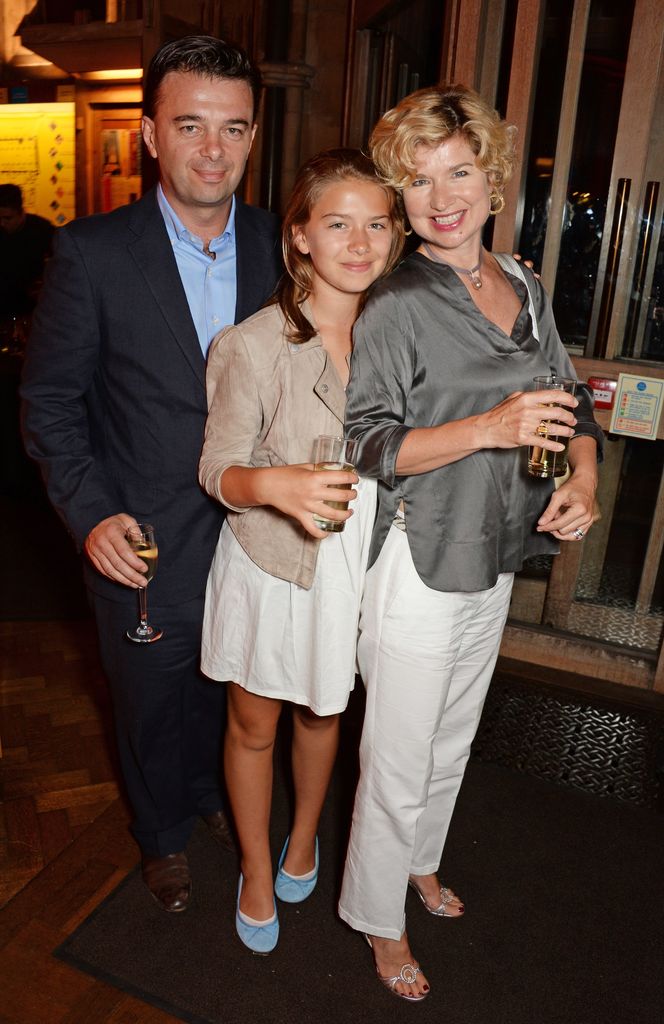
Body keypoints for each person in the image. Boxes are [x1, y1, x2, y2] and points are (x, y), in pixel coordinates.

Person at [337, 85, 603, 1000]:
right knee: (397, 755)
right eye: (416, 181)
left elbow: (567, 391)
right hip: (417, 558)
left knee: (451, 740)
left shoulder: (522, 283)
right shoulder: (396, 301)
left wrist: (583, 479)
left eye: (458, 172)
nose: (440, 196)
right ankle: (376, 918)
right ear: (399, 197)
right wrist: (489, 428)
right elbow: (366, 440)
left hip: (494, 553)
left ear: (492, 179)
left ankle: (418, 863)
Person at [20, 36, 282, 914]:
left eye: (233, 127)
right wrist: (92, 515)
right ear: (149, 135)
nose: (213, 148)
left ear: (253, 136)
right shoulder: (91, 253)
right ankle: (159, 834)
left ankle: (212, 798)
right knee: (146, 702)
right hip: (144, 533)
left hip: (257, 533)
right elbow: (50, 403)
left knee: (233, 687)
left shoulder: (288, 245)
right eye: (191, 125)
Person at [198, 149, 405, 952]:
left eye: (376, 224)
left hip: (364, 561)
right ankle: (254, 867)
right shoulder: (252, 343)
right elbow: (216, 467)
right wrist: (274, 485)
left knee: (326, 712)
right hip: (271, 562)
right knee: (255, 723)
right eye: (338, 223)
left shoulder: (400, 334)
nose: (359, 242)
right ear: (300, 239)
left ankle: (304, 835)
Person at [0, 184, 54, 316]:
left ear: (21, 212)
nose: (1, 223)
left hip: (33, 311)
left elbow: (63, 265)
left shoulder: (42, 230)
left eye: (7, 218)